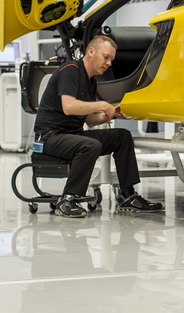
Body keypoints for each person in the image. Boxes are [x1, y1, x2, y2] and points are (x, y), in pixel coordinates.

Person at [32, 35, 163, 218]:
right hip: (49, 137)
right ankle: (68, 199)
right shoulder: (70, 70)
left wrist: (108, 115)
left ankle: (128, 195)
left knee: (122, 137)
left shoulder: (91, 81)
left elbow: (89, 120)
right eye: (106, 57)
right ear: (91, 52)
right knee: (90, 145)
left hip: (72, 135)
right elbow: (69, 107)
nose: (109, 63)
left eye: (111, 59)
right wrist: (102, 105)